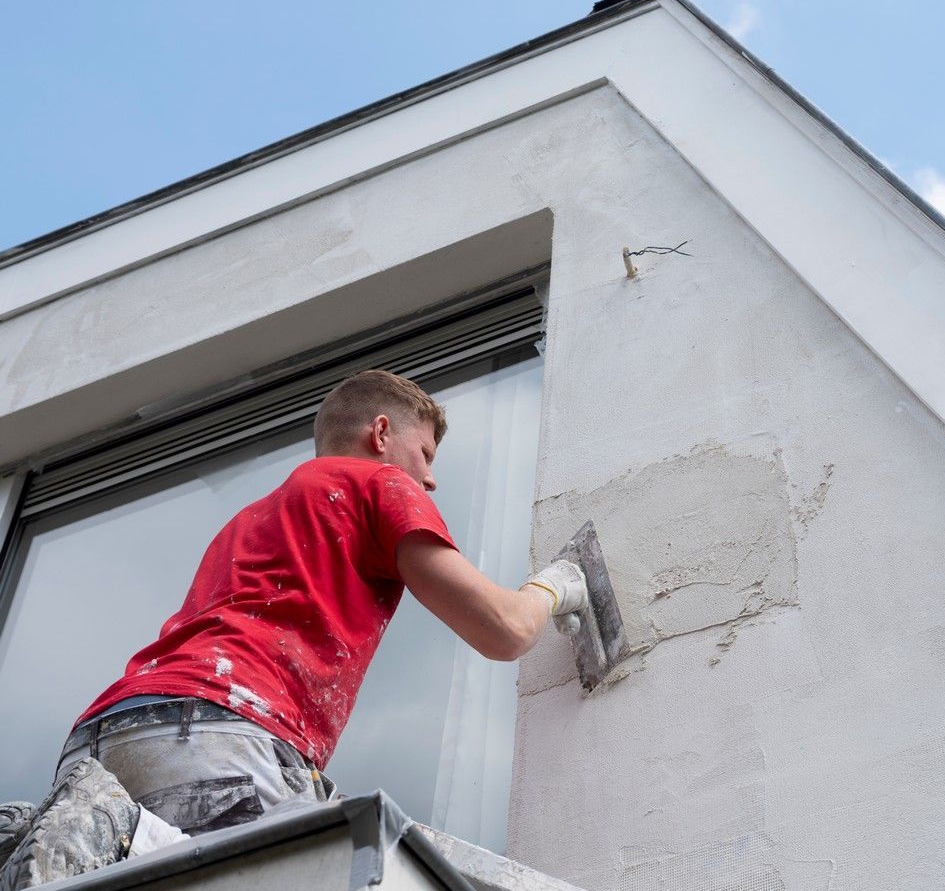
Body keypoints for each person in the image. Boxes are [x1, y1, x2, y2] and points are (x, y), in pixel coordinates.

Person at [0, 370, 586, 888]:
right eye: (426, 454)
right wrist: (556, 585)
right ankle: (124, 833)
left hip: (112, 731)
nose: (429, 479)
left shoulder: (251, 518)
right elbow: (503, 630)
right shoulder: (376, 484)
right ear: (381, 434)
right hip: (220, 736)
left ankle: (100, 833)